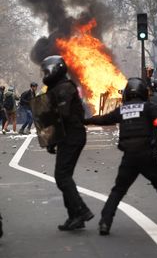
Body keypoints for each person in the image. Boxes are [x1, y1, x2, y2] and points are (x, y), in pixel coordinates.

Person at [85, 77, 157, 235]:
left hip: (129, 157)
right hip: (147, 154)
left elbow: (103, 119)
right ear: (143, 92)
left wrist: (85, 121)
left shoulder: (122, 110)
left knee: (118, 190)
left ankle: (105, 222)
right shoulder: (148, 108)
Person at [38, 55, 94, 231]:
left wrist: (48, 115)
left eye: (47, 70)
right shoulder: (58, 87)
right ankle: (75, 217)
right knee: (63, 176)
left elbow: (62, 115)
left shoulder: (64, 89)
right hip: (67, 136)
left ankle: (81, 211)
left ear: (56, 69)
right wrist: (51, 140)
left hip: (73, 135)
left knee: (62, 176)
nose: (45, 74)